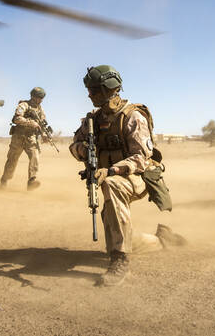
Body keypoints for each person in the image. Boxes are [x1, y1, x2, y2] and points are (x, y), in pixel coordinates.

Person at [69, 65, 186, 287]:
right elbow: (73, 146)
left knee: (112, 186)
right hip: (108, 178)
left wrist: (111, 170)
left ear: (108, 89)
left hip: (138, 177)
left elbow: (141, 158)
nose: (89, 95)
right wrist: (83, 150)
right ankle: (161, 240)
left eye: (94, 90)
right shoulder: (91, 120)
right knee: (113, 227)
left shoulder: (132, 117)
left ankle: (120, 260)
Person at [0, 87, 47, 190]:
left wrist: (43, 134)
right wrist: (31, 123)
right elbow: (16, 118)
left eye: (42, 98)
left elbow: (42, 124)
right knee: (12, 161)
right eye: (39, 97)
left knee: (35, 157)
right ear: (33, 96)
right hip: (18, 137)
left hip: (31, 138)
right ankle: (4, 180)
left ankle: (32, 181)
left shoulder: (40, 109)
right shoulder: (24, 105)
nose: (40, 100)